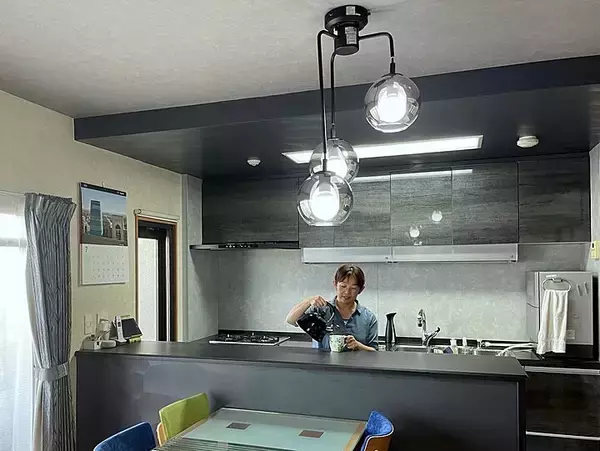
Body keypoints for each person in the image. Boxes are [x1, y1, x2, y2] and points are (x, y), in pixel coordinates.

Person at [285, 264, 378, 351]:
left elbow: (375, 352)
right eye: (343, 286)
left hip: (356, 363)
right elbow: (290, 319)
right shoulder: (321, 309)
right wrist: (309, 301)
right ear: (335, 284)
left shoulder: (368, 318)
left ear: (361, 290)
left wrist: (358, 346)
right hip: (321, 363)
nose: (347, 292)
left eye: (353, 288)